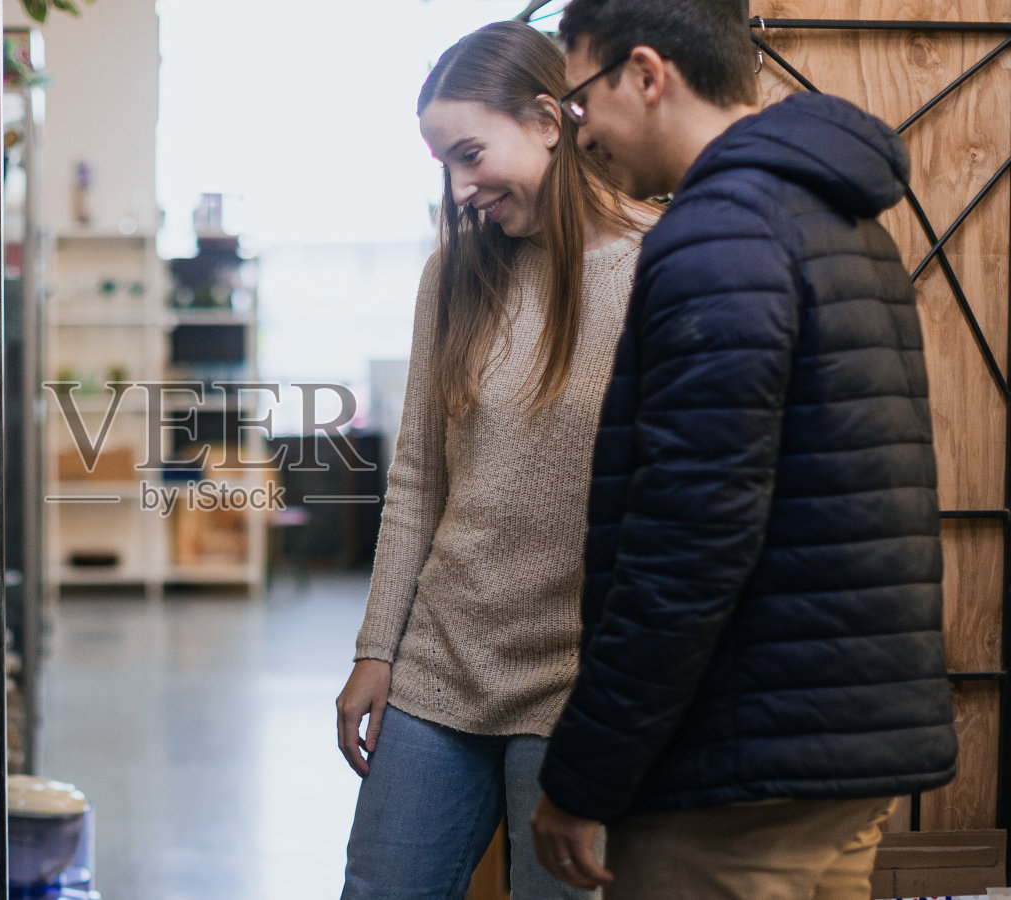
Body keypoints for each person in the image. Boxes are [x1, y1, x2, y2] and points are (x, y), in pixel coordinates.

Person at [529, 1, 959, 897]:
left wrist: (582, 777)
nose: (580, 135)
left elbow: (688, 542)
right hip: (843, 747)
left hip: (738, 771)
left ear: (647, 75)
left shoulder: (717, 235)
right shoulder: (836, 213)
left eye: (578, 104)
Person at [336, 20, 652, 900]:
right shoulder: (455, 274)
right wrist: (376, 651)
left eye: (470, 153)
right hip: (439, 672)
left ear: (551, 119)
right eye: (444, 163)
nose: (461, 186)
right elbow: (417, 482)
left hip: (576, 689)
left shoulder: (658, 266)